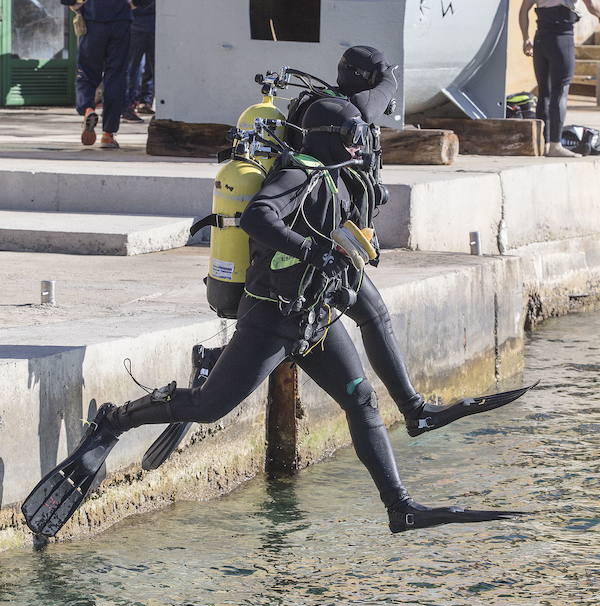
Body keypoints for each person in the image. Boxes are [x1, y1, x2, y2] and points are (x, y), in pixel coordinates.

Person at [21, 98, 528, 540]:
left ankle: (399, 507)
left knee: (362, 400)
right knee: (208, 407)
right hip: (271, 319)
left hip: (314, 319)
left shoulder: (340, 174)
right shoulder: (298, 172)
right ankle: (114, 419)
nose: (359, 145)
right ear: (330, 138)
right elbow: (257, 217)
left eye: (363, 137)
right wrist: (314, 250)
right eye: (352, 137)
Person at [143, 46, 532, 470]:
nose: (356, 141)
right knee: (368, 321)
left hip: (326, 250)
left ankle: (412, 416)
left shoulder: (323, 108)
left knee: (367, 336)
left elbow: (378, 93)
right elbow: (384, 90)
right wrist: (315, 251)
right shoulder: (339, 116)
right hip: (303, 260)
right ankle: (413, 409)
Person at [63, 0, 153, 149]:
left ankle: (87, 109)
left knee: (86, 72)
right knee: (116, 76)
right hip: (121, 20)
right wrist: (134, 3)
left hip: (92, 18)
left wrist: (73, 4)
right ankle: (108, 134)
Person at [519, 0, 600, 157]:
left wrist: (525, 39)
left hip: (540, 40)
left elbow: (523, 11)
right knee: (560, 91)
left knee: (544, 93)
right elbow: (592, 6)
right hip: (561, 40)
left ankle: (543, 143)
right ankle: (556, 145)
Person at [122, 0, 155, 122]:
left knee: (132, 68)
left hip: (140, 22)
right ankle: (131, 104)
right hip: (142, 22)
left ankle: (135, 103)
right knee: (133, 68)